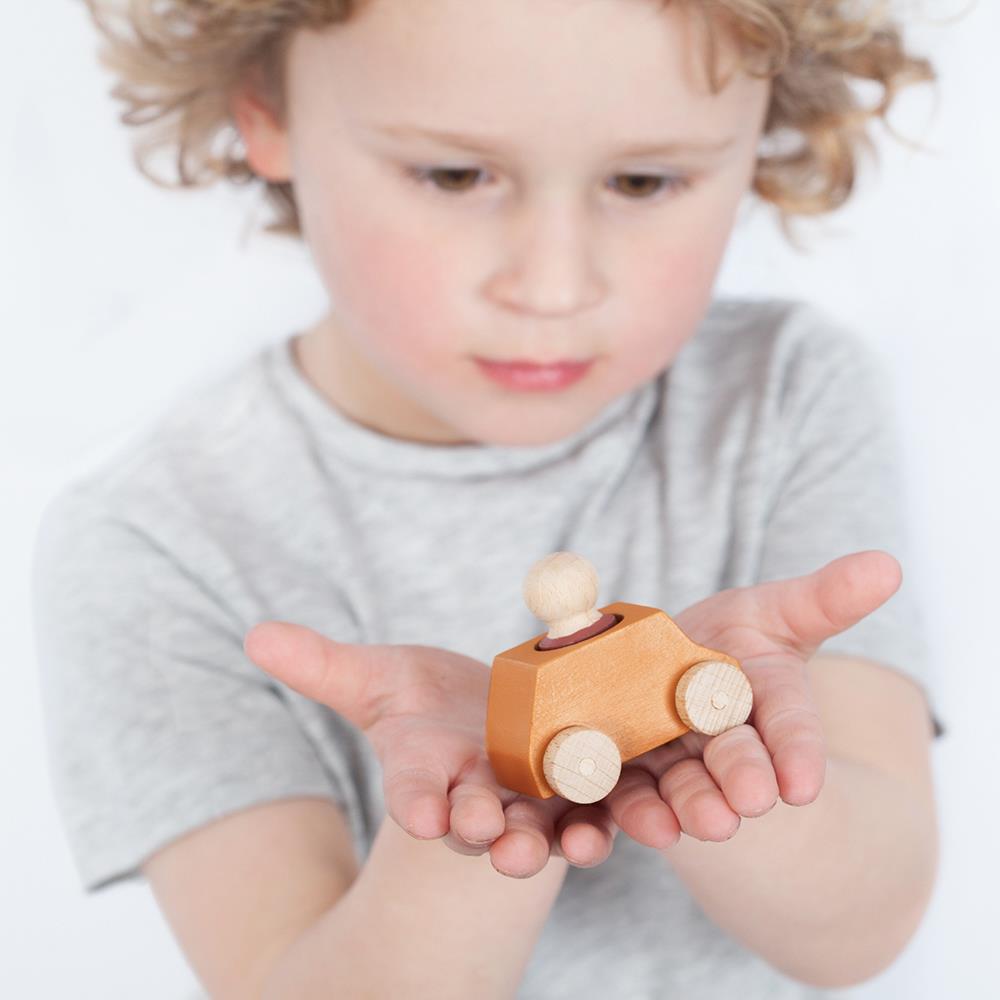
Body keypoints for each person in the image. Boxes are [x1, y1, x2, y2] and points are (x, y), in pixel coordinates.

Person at [31, 1, 947, 997]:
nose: (553, 287)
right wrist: (486, 800)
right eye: (455, 174)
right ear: (266, 113)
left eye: (642, 179)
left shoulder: (785, 393)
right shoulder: (151, 542)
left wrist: (719, 750)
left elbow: (864, 931)